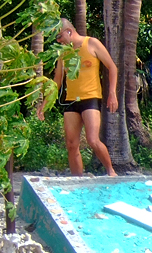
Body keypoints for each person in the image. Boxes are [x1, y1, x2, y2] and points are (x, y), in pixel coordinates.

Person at [43, 18, 119, 177]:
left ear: (69, 32)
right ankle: (77, 179)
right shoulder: (63, 52)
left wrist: (112, 93)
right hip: (71, 100)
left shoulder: (91, 43)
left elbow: (112, 67)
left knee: (92, 140)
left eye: (59, 37)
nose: (58, 41)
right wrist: (44, 103)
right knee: (71, 144)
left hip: (90, 98)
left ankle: (111, 171)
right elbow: (57, 81)